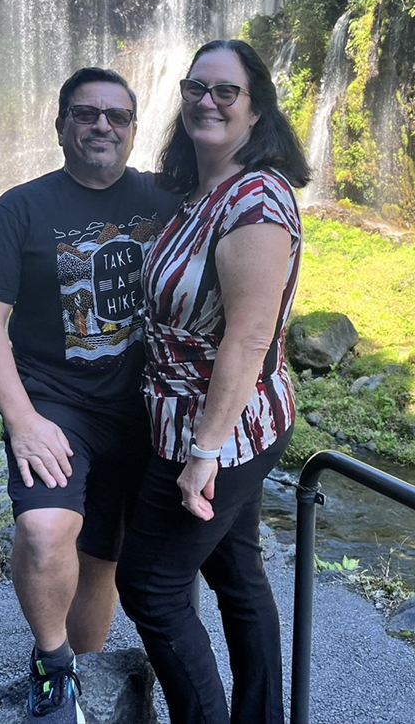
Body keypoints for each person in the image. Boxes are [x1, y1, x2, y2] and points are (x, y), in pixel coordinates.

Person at [0, 67, 178, 723]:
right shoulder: (21, 209)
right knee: (44, 530)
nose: (102, 125)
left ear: (134, 130)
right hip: (55, 409)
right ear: (61, 126)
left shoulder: (166, 199)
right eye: (86, 114)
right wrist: (21, 419)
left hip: (143, 414)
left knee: (103, 561)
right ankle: (53, 669)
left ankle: (82, 671)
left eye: (116, 115)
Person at [115, 39, 310, 724]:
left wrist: (203, 455)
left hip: (223, 429)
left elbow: (250, 337)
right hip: (191, 419)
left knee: (151, 586)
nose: (208, 100)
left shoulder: (256, 199)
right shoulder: (201, 192)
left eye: (227, 91)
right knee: (235, 572)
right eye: (197, 86)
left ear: (257, 111)